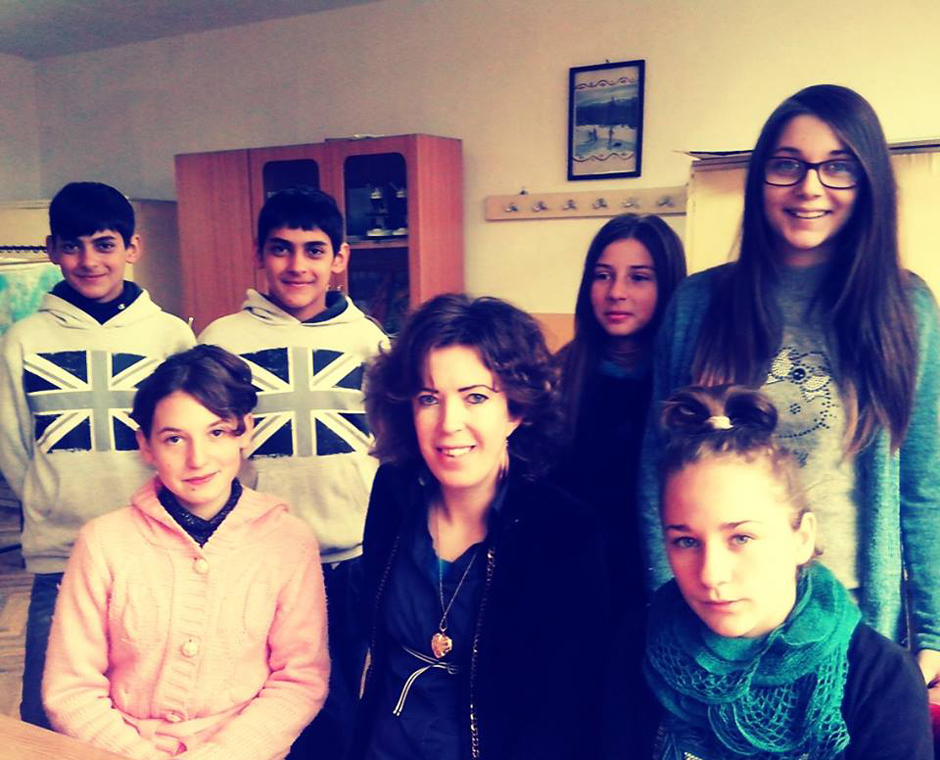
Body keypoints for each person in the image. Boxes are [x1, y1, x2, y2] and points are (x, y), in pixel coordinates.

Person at [637, 84, 940, 693]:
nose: (809, 187)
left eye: (838, 167)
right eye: (787, 165)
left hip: (850, 617)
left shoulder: (906, 309)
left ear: (869, 183)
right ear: (760, 179)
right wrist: (668, 601)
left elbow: (924, 485)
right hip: (711, 612)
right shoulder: (698, 303)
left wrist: (933, 632)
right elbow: (657, 474)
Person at [607, 385, 932, 759]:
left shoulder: (881, 679)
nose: (711, 575)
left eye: (741, 537)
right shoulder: (637, 646)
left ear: (802, 538)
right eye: (686, 541)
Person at [42, 345, 329, 760]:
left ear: (245, 431)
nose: (197, 459)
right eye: (174, 439)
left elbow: (300, 680)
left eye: (217, 433)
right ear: (146, 445)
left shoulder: (289, 541)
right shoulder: (102, 542)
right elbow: (70, 689)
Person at [353, 294, 608, 760]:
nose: (449, 424)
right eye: (429, 399)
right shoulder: (393, 492)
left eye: (475, 397)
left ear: (516, 409)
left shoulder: (567, 533)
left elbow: (565, 714)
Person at [0, 181, 195, 728]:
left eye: (105, 244)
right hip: (61, 553)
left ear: (133, 248)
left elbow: (187, 440)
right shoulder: (23, 340)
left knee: (144, 700)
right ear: (51, 250)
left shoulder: (170, 337)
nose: (89, 261)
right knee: (48, 708)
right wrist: (48, 498)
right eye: (73, 245)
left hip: (154, 549)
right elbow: (13, 443)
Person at [199, 186, 386, 755]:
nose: (297, 265)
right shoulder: (222, 341)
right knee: (261, 694)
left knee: (344, 694)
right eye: (281, 249)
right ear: (259, 254)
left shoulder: (369, 342)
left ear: (340, 258)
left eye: (314, 250)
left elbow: (391, 445)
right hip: (258, 555)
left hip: (350, 554)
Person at [556, 213, 685, 620]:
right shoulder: (558, 375)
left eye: (639, 278)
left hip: (661, 584)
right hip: (573, 582)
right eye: (603, 276)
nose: (616, 293)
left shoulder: (685, 382)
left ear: (668, 285)